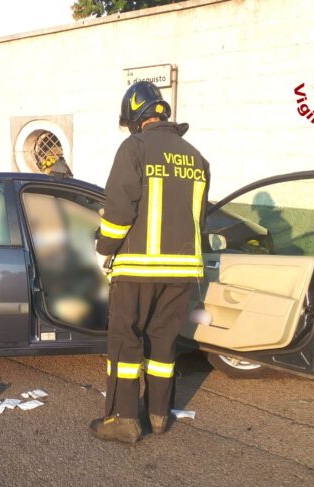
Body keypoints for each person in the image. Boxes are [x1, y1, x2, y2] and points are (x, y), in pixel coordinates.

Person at [90, 81, 210, 444]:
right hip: (184, 272)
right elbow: (198, 217)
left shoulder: (134, 148)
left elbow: (119, 210)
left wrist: (103, 247)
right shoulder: (196, 157)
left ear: (133, 118)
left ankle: (124, 420)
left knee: (125, 343)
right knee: (164, 344)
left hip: (139, 270)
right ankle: (158, 416)